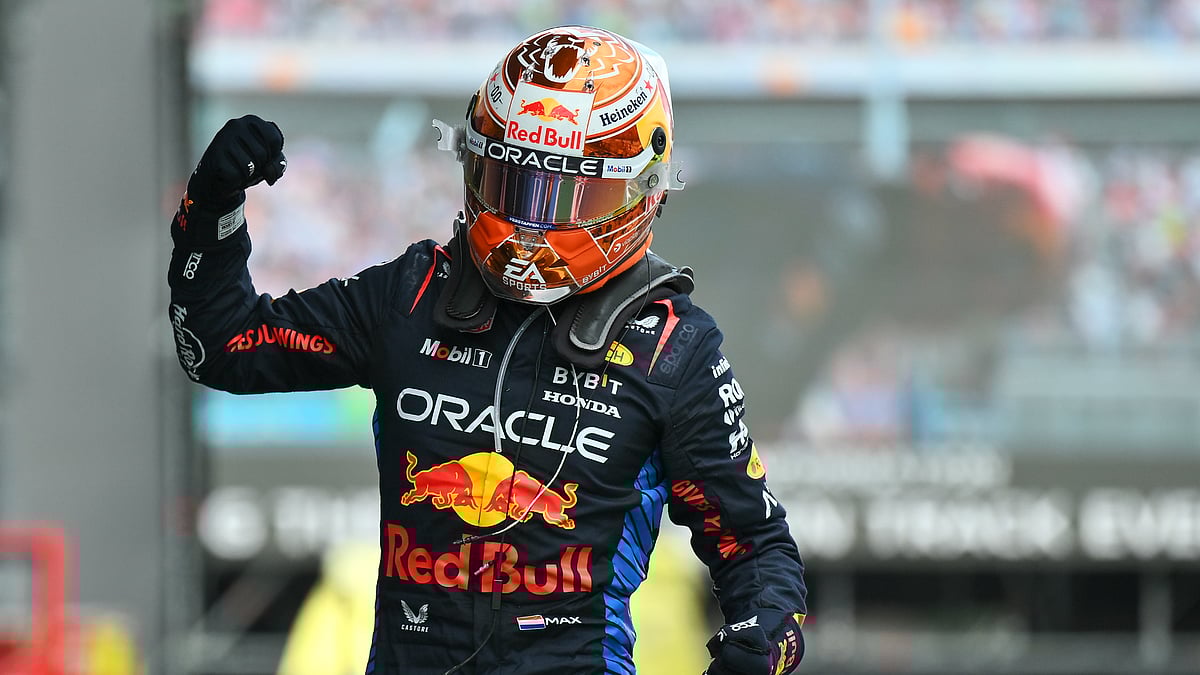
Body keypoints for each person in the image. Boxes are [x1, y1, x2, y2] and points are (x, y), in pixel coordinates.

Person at [168, 25, 807, 675]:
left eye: (564, 194)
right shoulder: (411, 293)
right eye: (512, 184)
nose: (531, 223)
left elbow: (754, 545)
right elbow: (222, 346)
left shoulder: (675, 347)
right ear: (473, 164)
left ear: (641, 187)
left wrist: (764, 641)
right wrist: (213, 207)